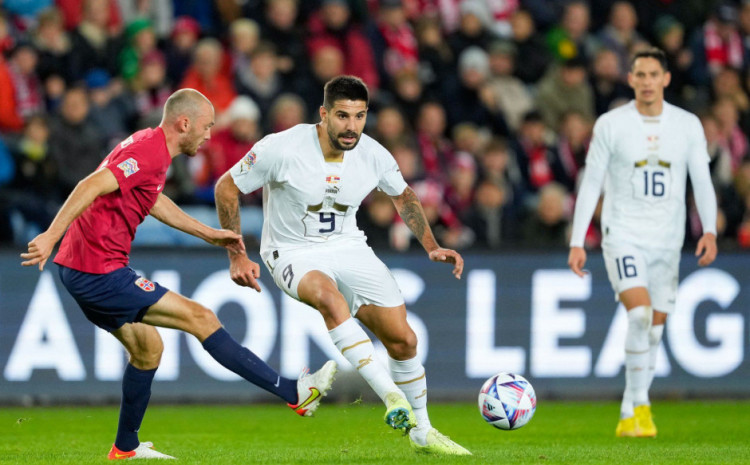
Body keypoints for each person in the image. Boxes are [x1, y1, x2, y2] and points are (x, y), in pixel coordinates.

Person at [20, 89, 337, 460]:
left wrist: (209, 233)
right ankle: (294, 392)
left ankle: (126, 447)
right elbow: (90, 184)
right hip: (98, 271)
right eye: (206, 126)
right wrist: (50, 235)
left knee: (148, 349)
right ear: (184, 123)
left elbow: (152, 199)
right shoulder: (149, 152)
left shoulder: (149, 145)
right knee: (201, 317)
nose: (209, 135)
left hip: (81, 267)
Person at [214, 75, 471, 455]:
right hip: (291, 250)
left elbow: (404, 196)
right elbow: (226, 186)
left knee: (403, 340)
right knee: (328, 297)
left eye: (360, 116)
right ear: (323, 114)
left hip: (348, 246)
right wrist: (236, 253)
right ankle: (391, 397)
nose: (352, 126)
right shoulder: (280, 148)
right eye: (342, 116)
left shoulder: (373, 154)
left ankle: (423, 432)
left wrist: (432, 246)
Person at [567, 48, 718, 438]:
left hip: (668, 241)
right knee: (639, 316)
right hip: (624, 235)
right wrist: (577, 239)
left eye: (654, 74)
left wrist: (710, 231)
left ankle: (627, 409)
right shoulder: (611, 124)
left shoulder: (686, 125)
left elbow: (702, 181)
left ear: (666, 79)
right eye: (640, 74)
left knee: (653, 329)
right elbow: (592, 183)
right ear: (630, 79)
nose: (647, 81)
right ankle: (641, 406)